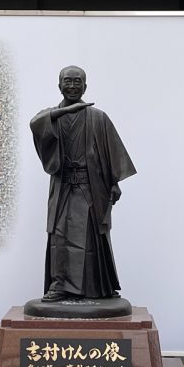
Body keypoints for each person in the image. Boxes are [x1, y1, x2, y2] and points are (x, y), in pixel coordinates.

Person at [30, 65, 136, 302]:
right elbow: (36, 124)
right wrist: (61, 113)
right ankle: (59, 286)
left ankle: (95, 287)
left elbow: (112, 155)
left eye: (78, 81)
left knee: (89, 239)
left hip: (90, 189)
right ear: (59, 86)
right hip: (63, 187)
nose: (72, 86)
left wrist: (114, 183)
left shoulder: (98, 118)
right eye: (67, 81)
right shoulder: (51, 117)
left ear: (85, 86)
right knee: (60, 236)